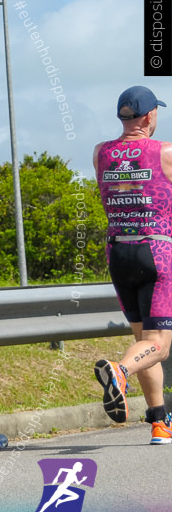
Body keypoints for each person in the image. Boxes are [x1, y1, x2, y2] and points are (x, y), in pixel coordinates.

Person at [93, 86, 172, 445]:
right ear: (149, 116)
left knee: (142, 341)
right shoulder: (166, 152)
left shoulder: (101, 153)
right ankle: (119, 373)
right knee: (159, 345)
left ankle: (159, 421)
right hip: (156, 251)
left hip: (118, 254)